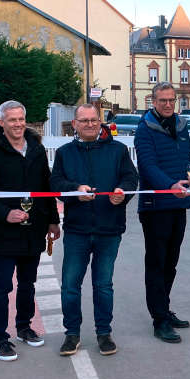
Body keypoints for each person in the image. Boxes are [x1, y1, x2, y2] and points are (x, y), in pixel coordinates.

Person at [0, 101, 60, 362]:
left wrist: (53, 220)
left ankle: (24, 327)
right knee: (1, 287)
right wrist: (4, 213)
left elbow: (46, 188)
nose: (18, 124)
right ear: (1, 123)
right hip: (4, 232)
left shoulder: (37, 149)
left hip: (33, 230)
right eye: (12, 120)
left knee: (28, 283)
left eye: (21, 119)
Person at [50, 103, 138, 356]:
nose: (89, 124)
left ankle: (104, 333)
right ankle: (72, 334)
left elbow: (130, 179)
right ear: (75, 124)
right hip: (77, 229)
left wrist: (124, 194)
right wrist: (76, 191)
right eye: (84, 120)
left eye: (93, 119)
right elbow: (56, 183)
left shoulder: (118, 150)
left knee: (103, 285)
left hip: (109, 228)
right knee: (70, 285)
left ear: (100, 121)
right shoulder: (65, 153)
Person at [134, 82, 190, 343]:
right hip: (155, 206)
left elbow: (188, 158)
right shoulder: (144, 130)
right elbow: (147, 167)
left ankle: (164, 309)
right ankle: (159, 319)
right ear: (153, 102)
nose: (169, 105)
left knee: (171, 263)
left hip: (178, 204)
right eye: (163, 101)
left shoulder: (182, 127)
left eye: (172, 100)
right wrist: (169, 186)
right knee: (157, 263)